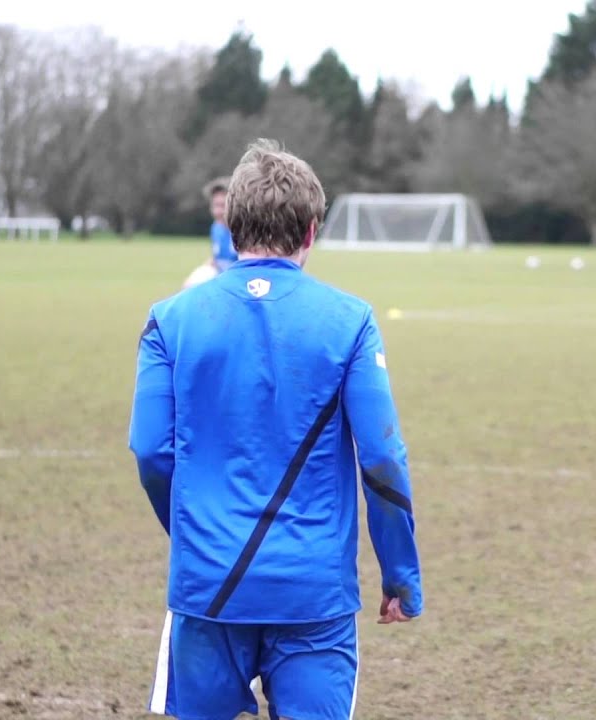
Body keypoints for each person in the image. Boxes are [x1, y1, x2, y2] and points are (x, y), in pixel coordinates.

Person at [130, 139, 423, 720]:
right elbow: (383, 457)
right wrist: (400, 572)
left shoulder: (169, 319)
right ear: (312, 231)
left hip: (207, 587)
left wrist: (195, 536)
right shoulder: (352, 321)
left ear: (231, 226)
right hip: (312, 592)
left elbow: (149, 450)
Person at [206, 178, 239, 272]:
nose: (218, 211)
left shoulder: (245, 233)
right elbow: (216, 259)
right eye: (215, 205)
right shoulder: (216, 228)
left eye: (223, 205)